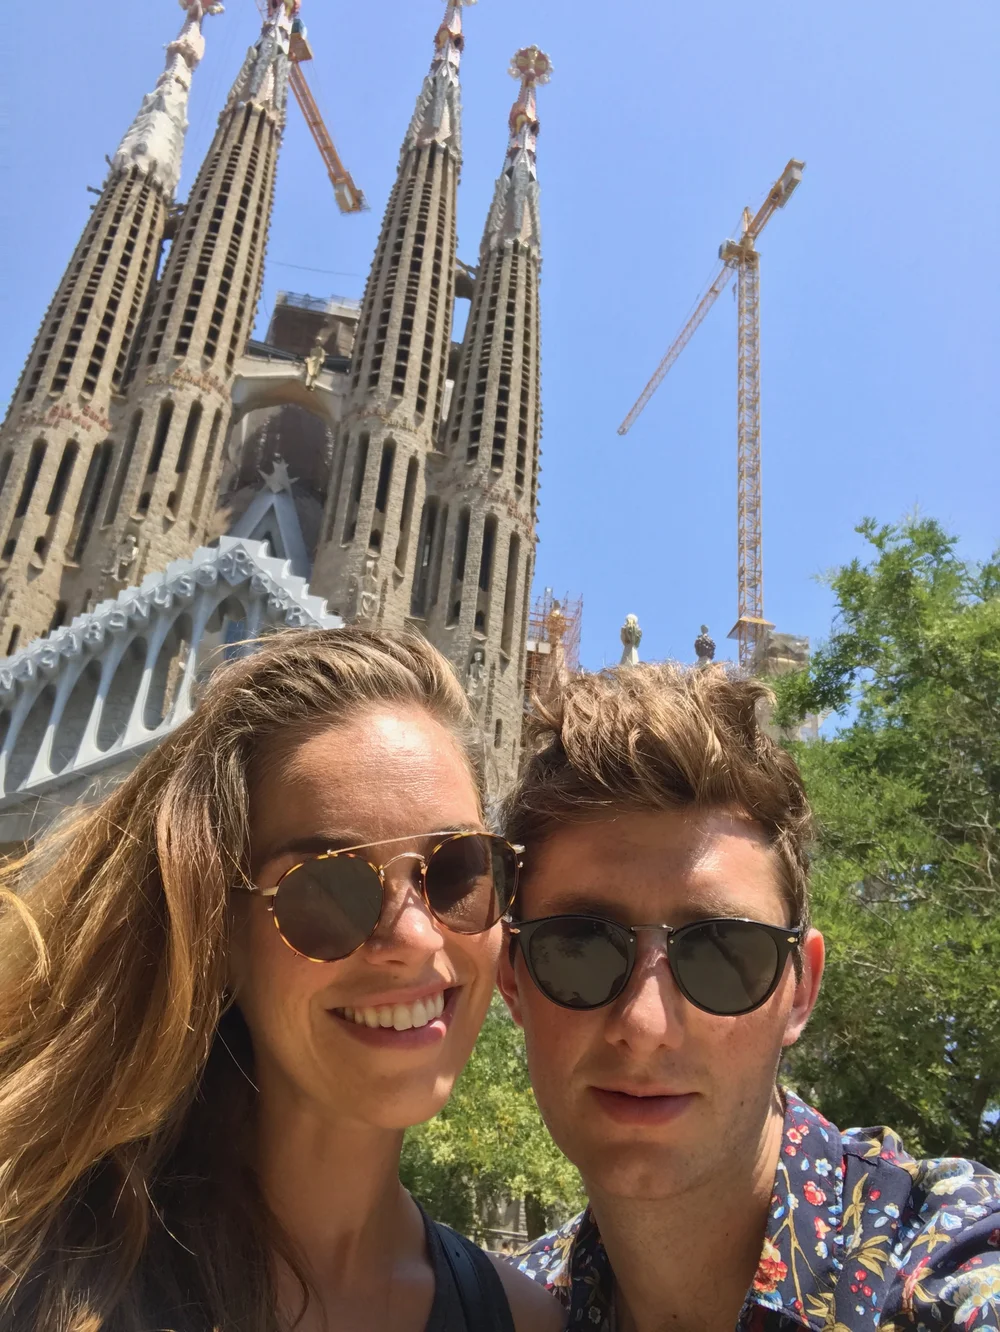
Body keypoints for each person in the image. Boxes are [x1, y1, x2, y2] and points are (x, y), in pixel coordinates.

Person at [0, 627, 563, 1332]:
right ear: (217, 931)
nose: (416, 939)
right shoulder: (34, 1273)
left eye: (457, 872)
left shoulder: (520, 1319)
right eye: (326, 888)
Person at [499, 663, 1000, 1332]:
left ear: (801, 989)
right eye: (581, 947)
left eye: (720, 953)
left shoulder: (943, 1263)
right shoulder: (511, 1309)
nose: (644, 1024)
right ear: (511, 977)